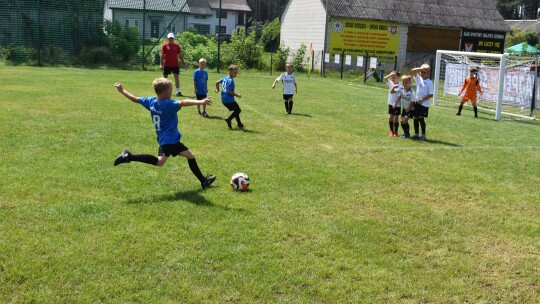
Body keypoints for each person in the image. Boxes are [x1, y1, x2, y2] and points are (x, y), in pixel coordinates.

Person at [112, 78, 216, 189]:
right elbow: (183, 102)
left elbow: (136, 99)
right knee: (159, 161)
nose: (172, 92)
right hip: (169, 140)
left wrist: (122, 91)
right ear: (166, 91)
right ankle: (129, 156)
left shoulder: (151, 101)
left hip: (168, 139)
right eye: (171, 89)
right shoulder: (168, 104)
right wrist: (200, 101)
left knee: (189, 156)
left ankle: (203, 181)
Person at [215, 64, 243, 129]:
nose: (235, 74)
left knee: (236, 110)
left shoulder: (225, 78)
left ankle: (240, 124)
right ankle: (229, 119)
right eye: (234, 72)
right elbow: (229, 91)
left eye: (236, 73)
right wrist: (237, 95)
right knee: (238, 110)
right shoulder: (230, 81)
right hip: (229, 100)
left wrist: (217, 90)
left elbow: (217, 82)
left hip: (224, 100)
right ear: (229, 72)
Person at [411, 64, 434, 141]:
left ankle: (423, 135)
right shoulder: (418, 79)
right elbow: (413, 70)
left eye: (424, 72)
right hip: (417, 102)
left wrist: (422, 99)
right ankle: (416, 134)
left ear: (428, 73)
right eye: (421, 72)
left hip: (424, 104)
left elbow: (431, 94)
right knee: (415, 118)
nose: (421, 73)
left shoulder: (429, 82)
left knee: (421, 118)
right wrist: (421, 68)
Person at [160, 33, 186, 97]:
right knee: (164, 78)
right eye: (169, 38)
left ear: (173, 38)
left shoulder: (176, 45)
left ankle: (178, 91)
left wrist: (183, 63)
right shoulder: (165, 46)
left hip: (175, 64)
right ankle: (163, 91)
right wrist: (161, 64)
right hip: (167, 64)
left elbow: (180, 55)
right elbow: (162, 55)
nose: (170, 39)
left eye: (172, 38)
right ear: (167, 38)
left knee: (176, 77)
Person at [383, 71, 401, 136]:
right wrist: (390, 74)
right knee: (391, 117)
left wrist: (395, 103)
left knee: (396, 118)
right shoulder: (390, 82)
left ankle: (396, 132)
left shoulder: (400, 85)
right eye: (392, 75)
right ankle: (391, 131)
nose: (392, 76)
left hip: (397, 104)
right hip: (390, 103)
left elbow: (400, 96)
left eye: (394, 75)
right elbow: (384, 78)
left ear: (398, 77)